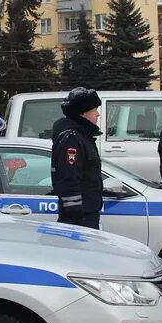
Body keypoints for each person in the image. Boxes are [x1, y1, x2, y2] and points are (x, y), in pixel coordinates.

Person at [51, 87, 103, 229]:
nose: (97, 114)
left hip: (87, 212)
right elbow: (69, 177)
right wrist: (75, 214)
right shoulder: (72, 139)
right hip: (79, 217)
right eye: (94, 110)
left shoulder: (82, 136)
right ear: (83, 113)